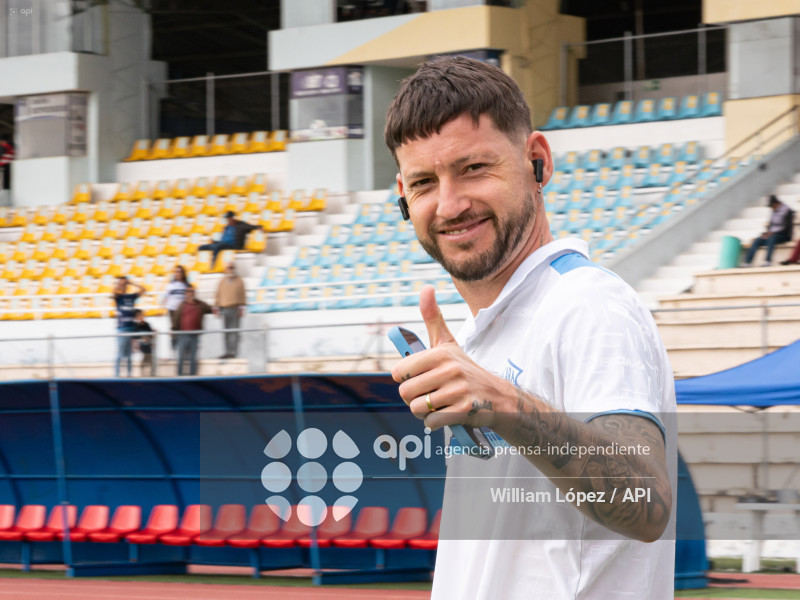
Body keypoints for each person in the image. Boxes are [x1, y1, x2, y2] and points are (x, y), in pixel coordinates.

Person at [384, 56, 676, 599]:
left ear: (535, 160)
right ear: (403, 195)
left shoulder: (588, 304)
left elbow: (647, 502)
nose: (450, 204)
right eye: (425, 182)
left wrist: (507, 405)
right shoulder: (478, 336)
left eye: (474, 168)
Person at [741, 195, 794, 267]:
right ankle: (747, 262)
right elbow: (771, 225)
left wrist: (773, 233)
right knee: (757, 240)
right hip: (772, 234)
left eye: (772, 206)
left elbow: (787, 228)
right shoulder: (773, 211)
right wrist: (767, 233)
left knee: (771, 238)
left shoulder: (787, 211)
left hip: (783, 235)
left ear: (776, 203)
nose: (771, 208)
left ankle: (767, 261)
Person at [198, 211, 263, 268]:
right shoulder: (226, 227)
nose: (228, 219)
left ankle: (213, 266)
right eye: (227, 218)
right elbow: (223, 240)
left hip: (234, 245)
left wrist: (259, 227)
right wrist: (215, 241)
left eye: (229, 218)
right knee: (201, 247)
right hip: (223, 244)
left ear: (233, 217)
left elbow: (251, 226)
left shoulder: (240, 225)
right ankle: (200, 265)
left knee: (217, 246)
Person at [172, 285, 212, 376]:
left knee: (193, 357)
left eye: (192, 291)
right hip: (183, 334)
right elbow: (176, 318)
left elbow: (210, 309)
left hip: (194, 334)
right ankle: (180, 375)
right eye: (188, 291)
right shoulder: (182, 305)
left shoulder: (199, 304)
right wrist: (174, 331)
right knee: (181, 356)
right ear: (185, 293)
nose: (190, 293)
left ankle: (193, 375)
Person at [112, 276, 145, 377]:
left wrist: (132, 283)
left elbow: (144, 290)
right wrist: (119, 284)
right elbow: (113, 293)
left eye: (124, 284)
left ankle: (129, 375)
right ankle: (117, 375)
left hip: (131, 329)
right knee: (120, 355)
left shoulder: (131, 297)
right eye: (122, 284)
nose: (123, 286)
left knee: (130, 356)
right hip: (122, 330)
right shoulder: (118, 298)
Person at [214, 262, 247, 358]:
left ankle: (234, 352)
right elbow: (218, 294)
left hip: (235, 308)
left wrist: (242, 307)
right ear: (226, 269)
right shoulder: (222, 281)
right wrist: (217, 307)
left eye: (232, 267)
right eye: (229, 268)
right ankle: (227, 351)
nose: (231, 269)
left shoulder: (239, 281)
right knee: (226, 332)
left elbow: (242, 295)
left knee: (235, 332)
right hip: (225, 308)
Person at [162, 265, 189, 352]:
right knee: (174, 330)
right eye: (176, 272)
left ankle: (184, 349)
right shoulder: (170, 285)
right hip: (173, 310)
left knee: (184, 330)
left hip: (183, 310)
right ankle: (174, 350)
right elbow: (166, 297)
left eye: (180, 272)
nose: (178, 274)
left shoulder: (186, 285)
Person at [132, 309, 156, 376]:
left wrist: (152, 335)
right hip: (142, 344)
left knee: (149, 357)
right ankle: (143, 371)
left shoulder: (147, 324)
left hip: (148, 344)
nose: (142, 317)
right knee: (146, 356)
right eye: (141, 316)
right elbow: (135, 336)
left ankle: (151, 372)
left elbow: (151, 334)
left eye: (143, 315)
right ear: (137, 317)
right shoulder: (136, 325)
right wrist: (141, 339)